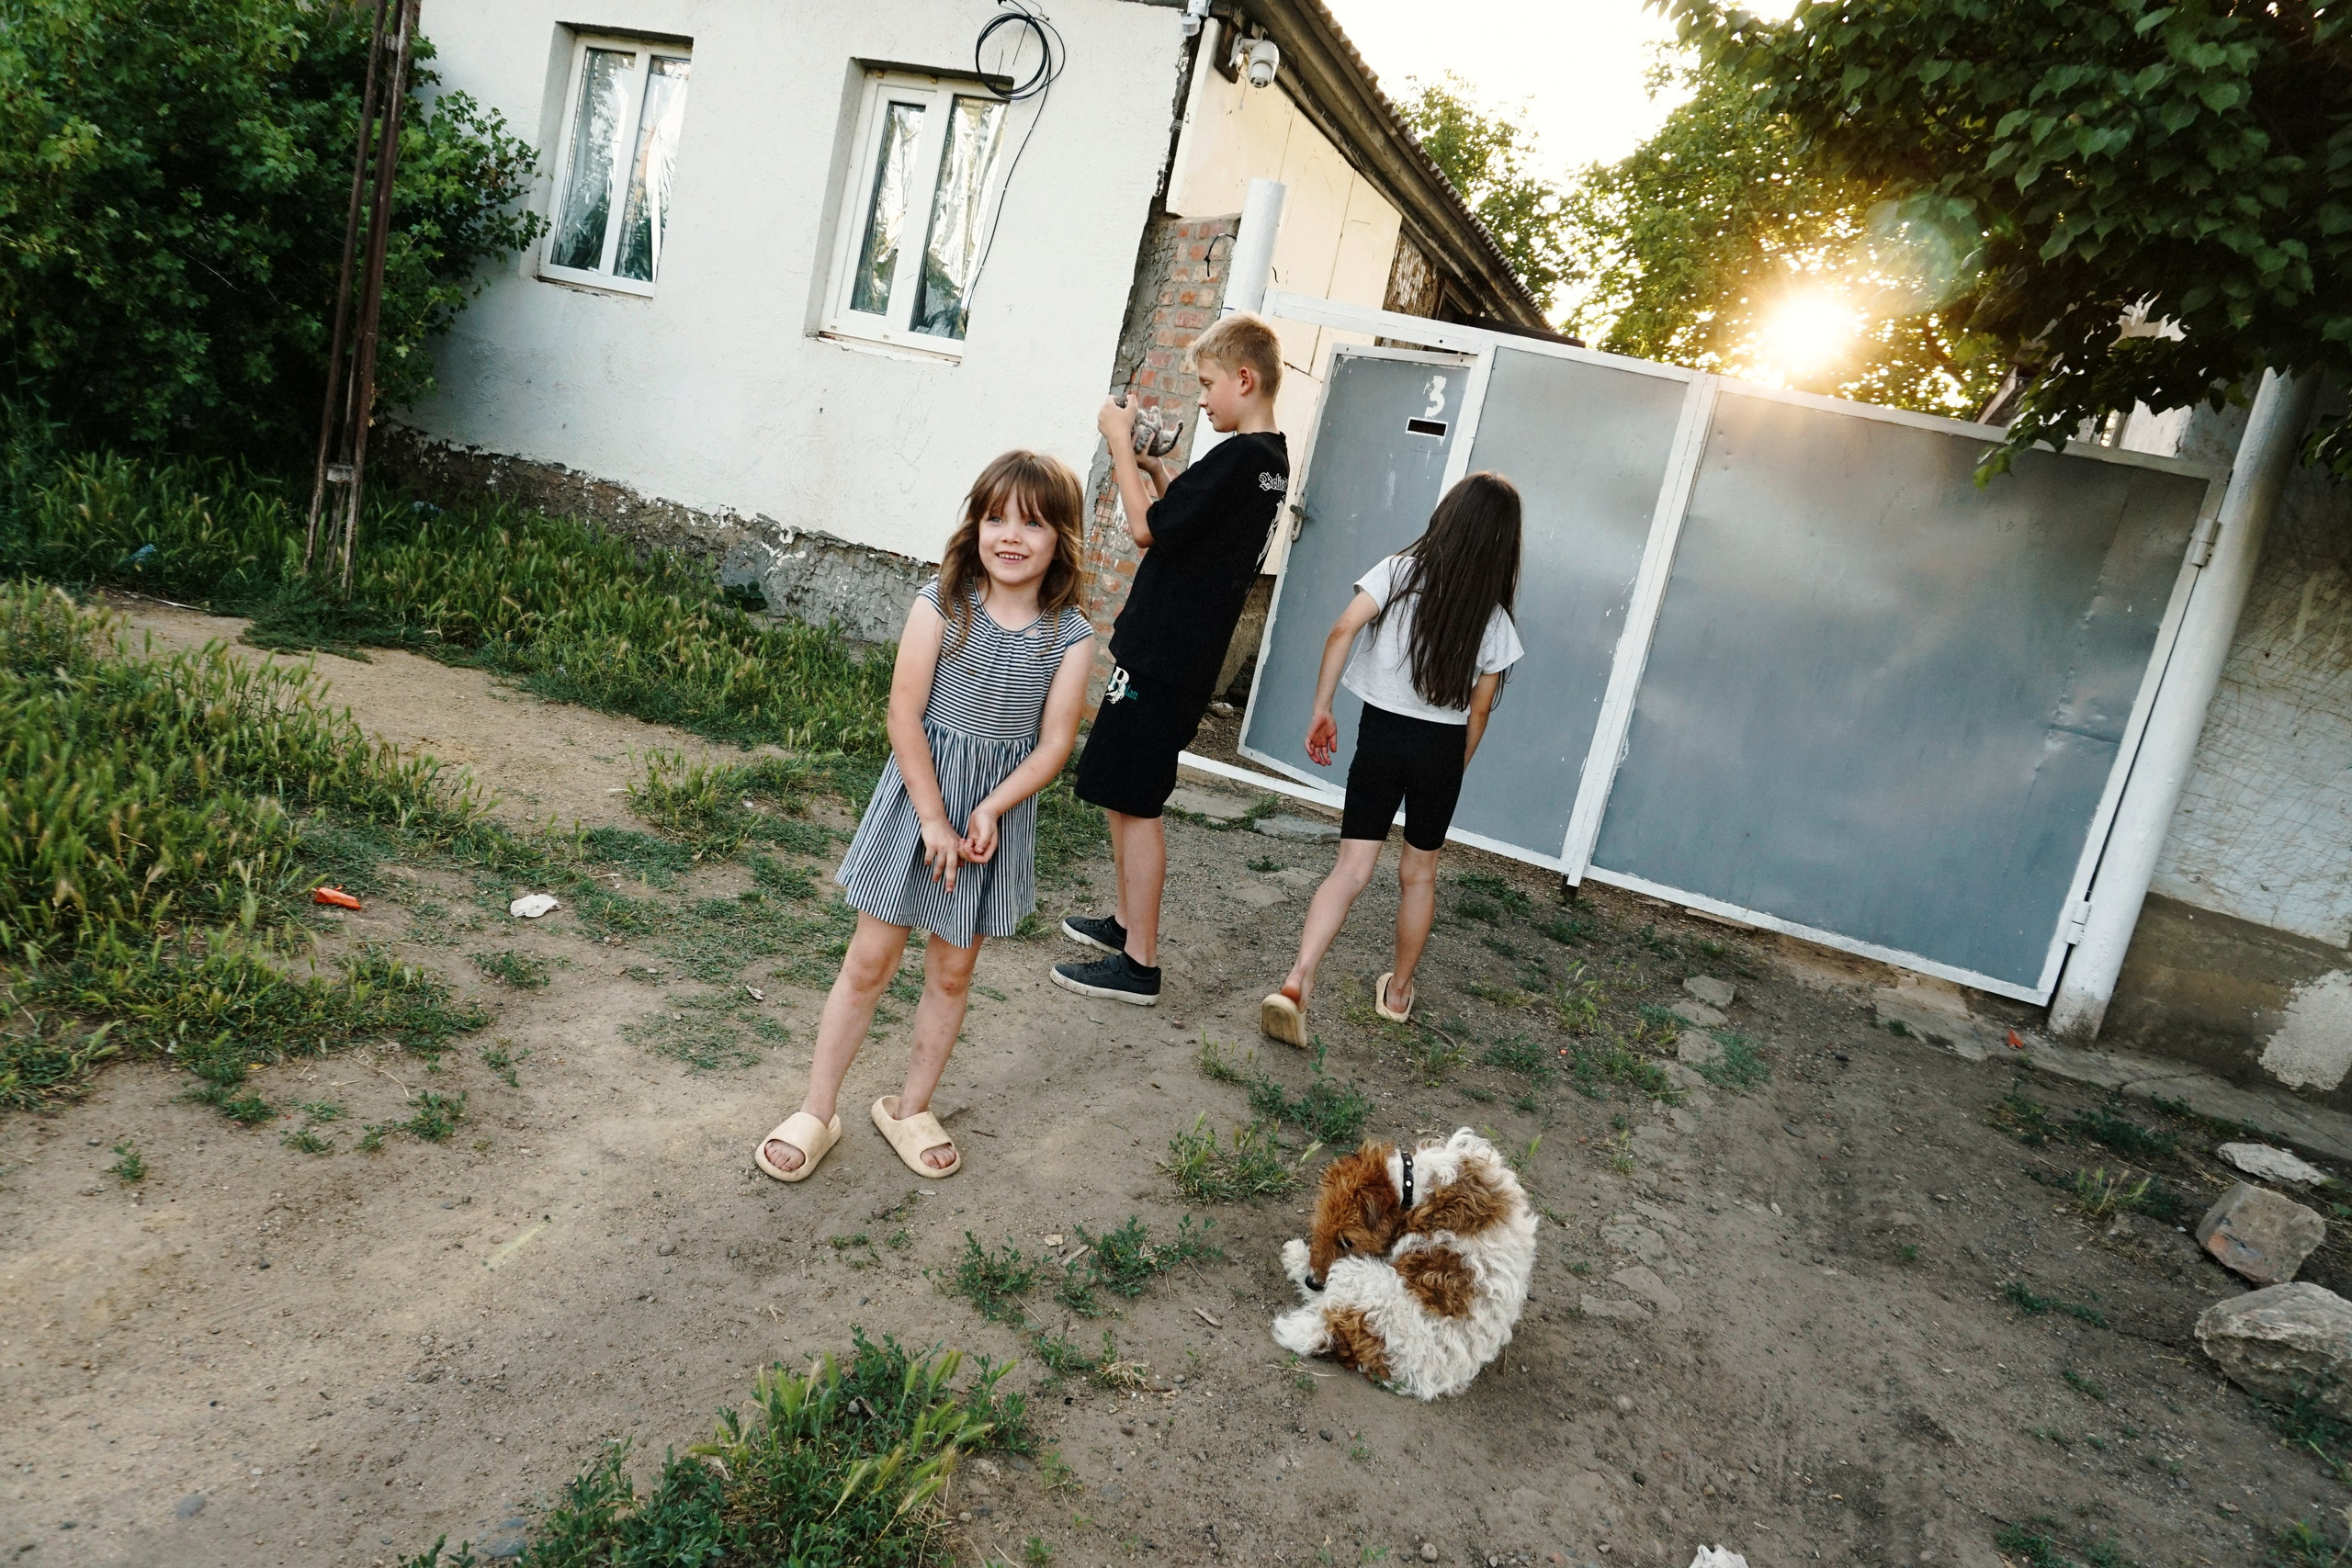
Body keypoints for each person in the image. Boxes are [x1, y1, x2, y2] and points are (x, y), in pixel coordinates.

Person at [754, 451, 1095, 1183]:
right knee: (870, 960)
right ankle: (818, 1108)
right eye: (996, 517)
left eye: (1032, 524)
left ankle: (909, 1106)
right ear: (975, 524)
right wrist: (934, 816)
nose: (1010, 535)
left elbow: (1056, 742)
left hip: (985, 828)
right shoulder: (941, 604)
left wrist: (992, 806)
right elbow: (904, 714)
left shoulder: (1070, 636)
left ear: (1060, 538)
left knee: (951, 972)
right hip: (918, 805)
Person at [1053, 311, 1291, 1007]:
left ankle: (1140, 963)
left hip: (1165, 658)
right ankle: (1126, 921)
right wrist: (1157, 468)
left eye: (1210, 385)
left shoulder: (1241, 458)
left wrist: (1120, 442)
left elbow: (1143, 528)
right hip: (1177, 653)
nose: (1204, 400)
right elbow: (1189, 528)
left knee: (1138, 799)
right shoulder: (1268, 462)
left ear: (1245, 379)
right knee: (1121, 785)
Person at [1259, 471, 1526, 1046]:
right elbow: (1479, 713)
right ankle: (1399, 992)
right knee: (1419, 874)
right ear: (1505, 545)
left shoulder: (1399, 573)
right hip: (1441, 749)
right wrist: (1456, 767)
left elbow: (1341, 630)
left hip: (1381, 736)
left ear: (1447, 519)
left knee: (1350, 870)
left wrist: (1322, 708)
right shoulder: (1495, 619)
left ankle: (1297, 979)